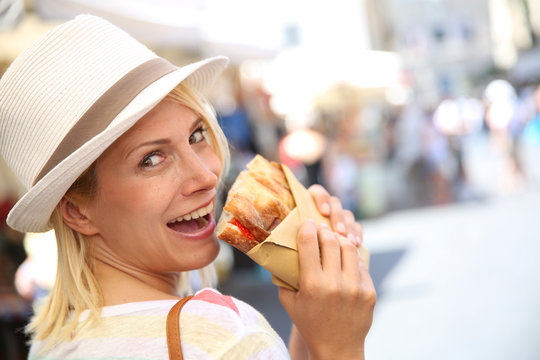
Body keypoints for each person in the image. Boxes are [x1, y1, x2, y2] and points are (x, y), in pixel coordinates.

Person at [0, 15, 376, 360]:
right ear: (77, 212)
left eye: (197, 135)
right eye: (151, 159)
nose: (206, 176)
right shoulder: (224, 336)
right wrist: (341, 345)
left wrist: (313, 325)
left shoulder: (54, 343)